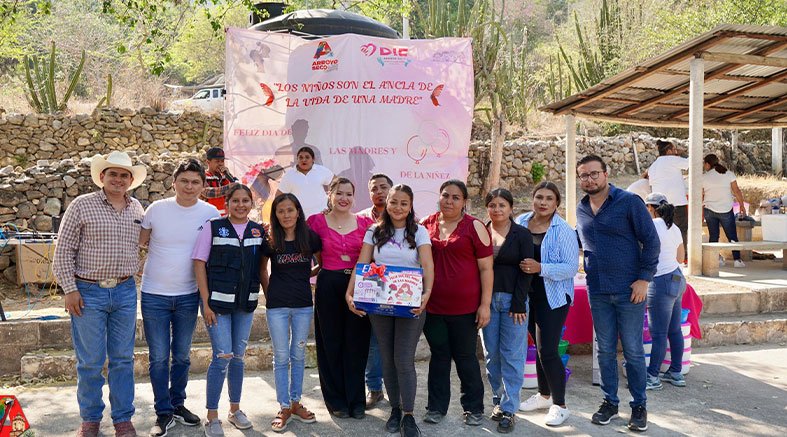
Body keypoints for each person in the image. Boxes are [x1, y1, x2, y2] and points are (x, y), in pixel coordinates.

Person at [52, 151, 146, 437]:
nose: (118, 179)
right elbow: (63, 251)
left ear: (131, 180)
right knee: (91, 361)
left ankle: (122, 419)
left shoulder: (137, 209)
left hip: (125, 291)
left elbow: (144, 244)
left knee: (122, 359)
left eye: (124, 175)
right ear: (102, 177)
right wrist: (70, 290)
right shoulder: (81, 206)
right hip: (87, 292)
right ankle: (90, 419)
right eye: (113, 174)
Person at [575, 155, 659, 433]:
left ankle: (639, 405)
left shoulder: (629, 202)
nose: (589, 179)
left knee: (633, 351)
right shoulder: (582, 208)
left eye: (593, 174)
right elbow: (582, 242)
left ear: (606, 173)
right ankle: (610, 402)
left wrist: (644, 279)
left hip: (629, 290)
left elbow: (651, 241)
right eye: (584, 175)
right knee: (605, 350)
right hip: (597, 289)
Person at [345, 184, 434, 437]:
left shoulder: (419, 232)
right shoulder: (375, 231)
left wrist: (426, 295)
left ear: (410, 206)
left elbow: (428, 266)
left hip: (410, 304)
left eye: (403, 203)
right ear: (387, 203)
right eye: (394, 202)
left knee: (403, 360)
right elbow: (362, 263)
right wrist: (350, 293)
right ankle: (394, 410)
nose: (397, 207)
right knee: (387, 359)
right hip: (380, 303)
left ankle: (408, 415)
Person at [139, 159, 220, 436]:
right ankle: (162, 413)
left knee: (182, 356)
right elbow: (139, 242)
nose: (189, 186)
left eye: (195, 182)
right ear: (174, 182)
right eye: (184, 180)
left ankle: (178, 404)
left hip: (189, 295)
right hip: (154, 294)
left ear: (203, 185)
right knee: (159, 356)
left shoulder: (210, 213)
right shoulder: (156, 210)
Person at [192, 184, 266, 436]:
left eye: (246, 200)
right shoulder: (213, 227)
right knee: (222, 356)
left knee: (238, 357)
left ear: (252, 203)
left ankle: (235, 410)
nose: (241, 205)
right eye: (235, 200)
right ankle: (211, 415)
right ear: (227, 203)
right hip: (218, 306)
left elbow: (262, 265)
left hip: (245, 304)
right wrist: (206, 301)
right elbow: (199, 263)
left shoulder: (258, 231)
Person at [421, 179, 493, 426]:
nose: (449, 201)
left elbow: (486, 268)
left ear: (464, 202)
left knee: (465, 358)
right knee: (439, 356)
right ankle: (436, 408)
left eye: (455, 197)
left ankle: (473, 408)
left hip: (465, 309)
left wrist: (485, 305)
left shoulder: (475, 226)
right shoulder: (425, 225)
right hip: (433, 308)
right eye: (445, 195)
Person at [307, 178, 375, 419]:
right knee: (331, 343)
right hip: (328, 286)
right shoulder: (315, 222)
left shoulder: (366, 223)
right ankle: (336, 400)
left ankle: (356, 400)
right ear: (330, 194)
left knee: (356, 344)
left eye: (349, 194)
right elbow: (307, 252)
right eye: (339, 193)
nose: (344, 198)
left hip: (359, 287)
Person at [516, 181, 579, 427]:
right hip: (526, 295)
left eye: (549, 199)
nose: (543, 202)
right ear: (532, 198)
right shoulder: (520, 222)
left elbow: (571, 267)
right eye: (539, 197)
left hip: (552, 297)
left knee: (549, 351)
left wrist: (541, 268)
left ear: (556, 203)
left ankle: (560, 405)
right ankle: (543, 396)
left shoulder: (563, 230)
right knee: (540, 348)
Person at [262, 193, 322, 433]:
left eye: (290, 210)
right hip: (276, 306)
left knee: (298, 354)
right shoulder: (271, 238)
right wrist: (269, 295)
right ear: (275, 214)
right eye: (281, 211)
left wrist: (304, 276)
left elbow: (323, 263)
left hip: (303, 305)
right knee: (281, 356)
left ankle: (296, 403)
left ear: (298, 211)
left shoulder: (310, 237)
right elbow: (262, 272)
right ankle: (284, 406)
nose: (286, 215)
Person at [481, 188, 533, 434]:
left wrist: (518, 303)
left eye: (502, 205)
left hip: (514, 302)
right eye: (492, 204)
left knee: (512, 354)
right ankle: (498, 402)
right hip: (487, 302)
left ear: (511, 208)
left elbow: (526, 271)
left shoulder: (522, 234)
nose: (497, 209)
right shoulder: (480, 231)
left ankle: (510, 408)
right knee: (492, 356)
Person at [643, 193, 687, 390]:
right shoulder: (674, 228)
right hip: (677, 278)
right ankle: (676, 372)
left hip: (660, 281)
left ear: (651, 208)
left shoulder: (651, 226)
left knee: (659, 333)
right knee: (674, 329)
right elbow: (680, 258)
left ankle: (652, 376)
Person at [357, 173, 393, 409]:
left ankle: (396, 389)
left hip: (400, 289)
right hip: (371, 288)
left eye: (383, 187)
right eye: (374, 189)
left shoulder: (408, 219)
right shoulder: (360, 220)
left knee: (395, 343)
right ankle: (375, 388)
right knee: (373, 342)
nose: (379, 192)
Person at [702, 154, 747, 268]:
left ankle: (716, 259)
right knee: (732, 235)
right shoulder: (728, 174)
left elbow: (700, 196)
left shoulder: (704, 177)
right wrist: (741, 205)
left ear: (707, 164)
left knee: (713, 236)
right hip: (726, 209)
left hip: (709, 209)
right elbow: (736, 191)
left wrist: (701, 212)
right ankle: (737, 260)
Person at [646, 139, 688, 255]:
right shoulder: (672, 159)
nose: (675, 152)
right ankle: (682, 256)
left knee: (662, 231)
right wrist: (682, 153)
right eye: (674, 149)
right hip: (677, 202)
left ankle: (665, 255)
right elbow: (691, 163)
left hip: (658, 204)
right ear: (669, 151)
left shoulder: (653, 166)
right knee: (681, 230)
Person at [277, 146, 334, 218]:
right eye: (301, 157)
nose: (304, 160)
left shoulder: (321, 170)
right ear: (297, 159)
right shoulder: (289, 175)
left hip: (322, 215)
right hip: (299, 217)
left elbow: (336, 182)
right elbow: (279, 196)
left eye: (307, 157)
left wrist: (331, 202)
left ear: (313, 159)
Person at [202, 147, 239, 216]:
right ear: (208, 162)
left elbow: (236, 187)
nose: (221, 164)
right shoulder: (203, 176)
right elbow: (207, 192)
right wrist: (230, 187)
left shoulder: (225, 175)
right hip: (209, 217)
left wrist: (228, 175)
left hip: (226, 217)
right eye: (217, 161)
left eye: (222, 161)